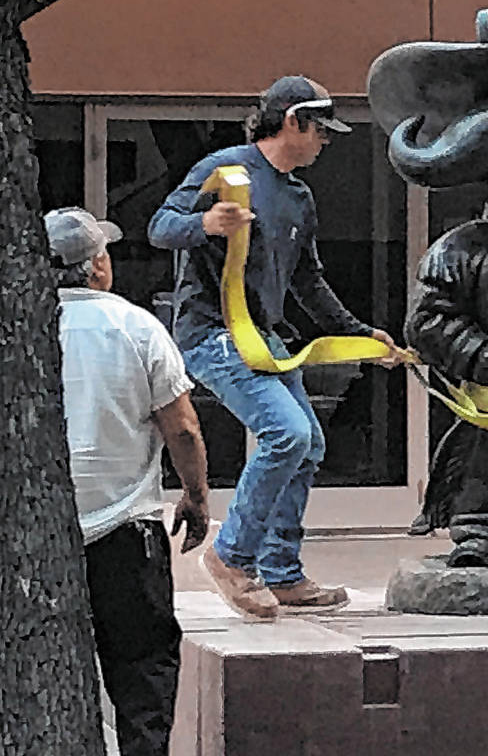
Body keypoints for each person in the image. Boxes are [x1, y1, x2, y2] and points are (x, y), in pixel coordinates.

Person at [148, 76, 402, 620]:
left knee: (307, 442)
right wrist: (205, 222)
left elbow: (308, 282)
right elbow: (160, 227)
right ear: (293, 122)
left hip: (264, 338)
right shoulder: (228, 171)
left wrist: (359, 333)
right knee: (285, 433)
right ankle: (232, 556)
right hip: (213, 334)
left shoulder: (297, 197)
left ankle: (282, 572)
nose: (325, 143)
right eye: (320, 132)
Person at [46, 206, 210, 755]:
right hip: (123, 531)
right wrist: (195, 496)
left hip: (40, 537)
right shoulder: (135, 324)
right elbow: (182, 427)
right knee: (143, 669)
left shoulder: (23, 329)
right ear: (95, 266)